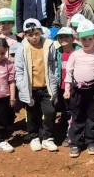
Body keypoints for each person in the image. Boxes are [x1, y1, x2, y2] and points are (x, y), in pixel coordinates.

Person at [14, 19, 60, 154]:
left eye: (36, 33)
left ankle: (47, 137)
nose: (34, 37)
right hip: (30, 88)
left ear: (41, 32)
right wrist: (21, 86)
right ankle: (34, 137)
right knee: (32, 114)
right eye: (30, 34)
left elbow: (53, 65)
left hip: (46, 86)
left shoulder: (48, 45)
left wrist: (54, 80)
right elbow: (19, 69)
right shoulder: (21, 48)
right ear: (25, 35)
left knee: (50, 111)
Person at [64, 20, 94, 158]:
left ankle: (91, 141)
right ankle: (75, 142)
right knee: (77, 116)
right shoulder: (75, 54)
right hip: (77, 91)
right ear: (79, 39)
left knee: (92, 116)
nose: (87, 42)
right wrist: (67, 89)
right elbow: (69, 72)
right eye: (84, 39)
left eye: (90, 39)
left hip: (93, 90)